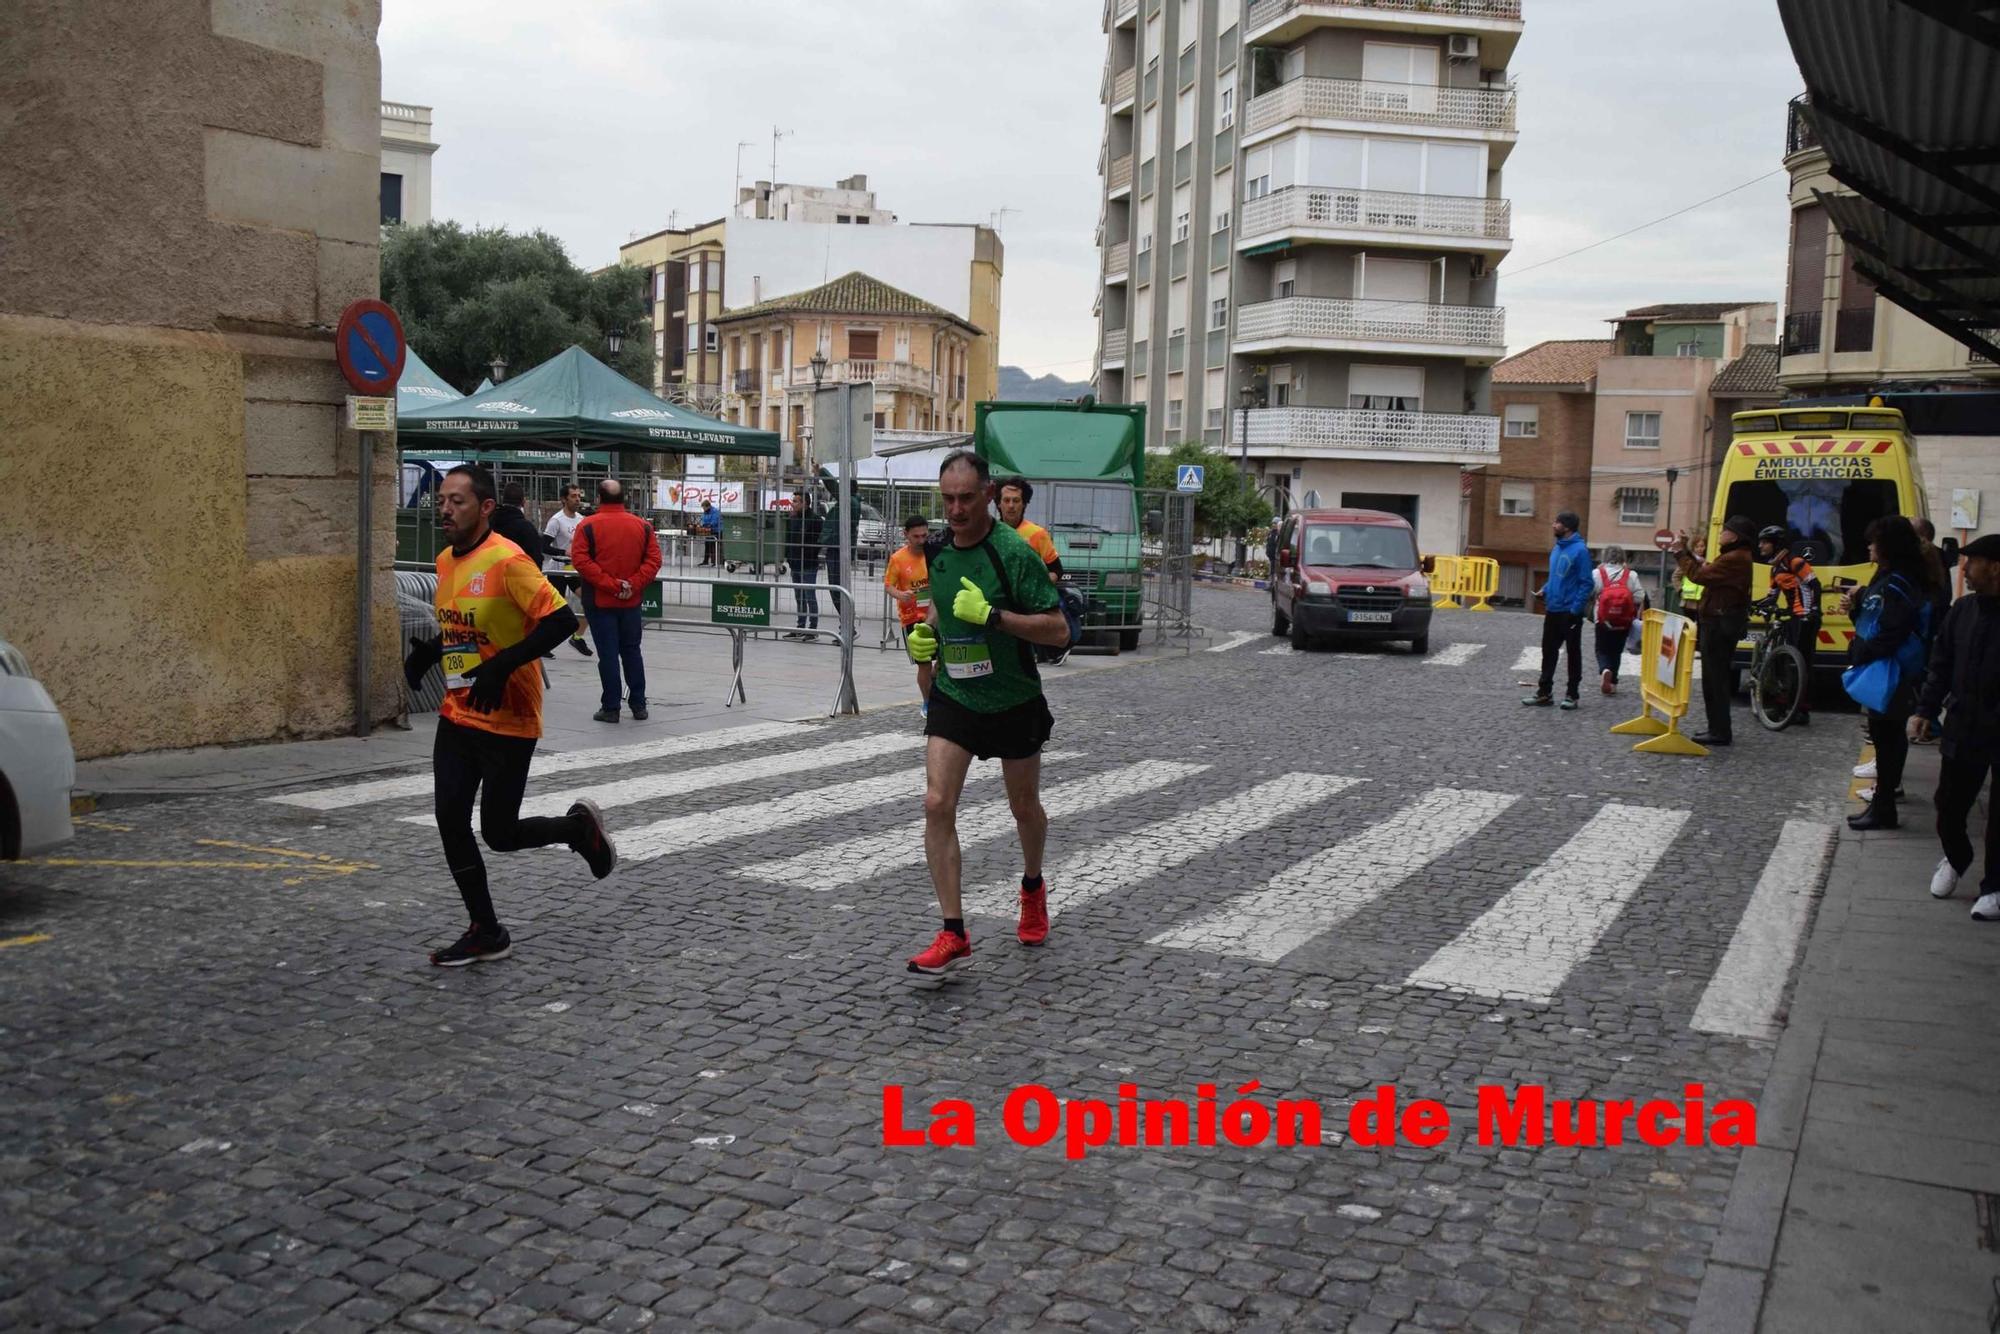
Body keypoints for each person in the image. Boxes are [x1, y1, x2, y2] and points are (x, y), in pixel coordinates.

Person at [403, 465, 617, 966]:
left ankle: (577, 830)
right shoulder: (443, 561)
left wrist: (502, 666)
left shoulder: (508, 561)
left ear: (485, 508)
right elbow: (467, 627)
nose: (445, 509)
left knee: (499, 834)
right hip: (460, 712)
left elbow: (561, 620)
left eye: (457, 501)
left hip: (510, 716)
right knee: (449, 818)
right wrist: (431, 653)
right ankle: (485, 929)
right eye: (442, 500)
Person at [902, 451, 1070, 977]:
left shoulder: (1012, 554)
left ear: (989, 494)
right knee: (935, 802)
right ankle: (953, 931)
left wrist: (994, 617)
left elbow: (1059, 630)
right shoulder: (939, 552)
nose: (955, 509)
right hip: (956, 695)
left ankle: (1032, 886)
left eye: (966, 498)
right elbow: (938, 605)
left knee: (1024, 808)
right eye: (947, 499)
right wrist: (926, 635)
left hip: (1013, 698)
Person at [1912, 534, 2000, 917]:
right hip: (1964, 722)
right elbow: (1941, 664)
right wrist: (1925, 710)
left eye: (1972, 561)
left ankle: (1994, 886)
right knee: (1948, 804)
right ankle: (1956, 855)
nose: (1964, 568)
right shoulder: (1962, 610)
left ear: (1994, 567)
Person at [1842, 515, 1939, 830]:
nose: (1869, 546)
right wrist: (1855, 610)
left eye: (1874, 541)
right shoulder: (1891, 576)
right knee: (1883, 736)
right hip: (1885, 665)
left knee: (1887, 738)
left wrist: (1864, 651)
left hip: (1891, 669)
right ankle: (1882, 805)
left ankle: (1884, 807)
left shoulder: (1898, 581)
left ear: (1888, 546)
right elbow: (1874, 619)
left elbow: (1892, 628)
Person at [571, 479, 662, 723]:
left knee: (608, 654)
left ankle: (611, 707)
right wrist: (632, 584)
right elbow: (653, 561)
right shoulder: (642, 526)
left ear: (599, 499)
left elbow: (580, 560)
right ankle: (639, 704)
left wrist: (610, 585)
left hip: (600, 602)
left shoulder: (587, 526)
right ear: (625, 499)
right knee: (632, 652)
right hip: (631, 602)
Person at [1671, 515, 1756, 746]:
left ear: (1734, 536)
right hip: (1718, 621)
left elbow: (1699, 575)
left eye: (1724, 530)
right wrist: (1687, 550)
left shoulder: (1735, 558)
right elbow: (1703, 568)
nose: (1720, 534)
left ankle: (1719, 731)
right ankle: (1716, 728)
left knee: (1715, 679)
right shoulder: (1735, 556)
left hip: (1720, 624)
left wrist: (1680, 553)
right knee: (1713, 678)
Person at [1523, 511, 1593, 710]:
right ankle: (1544, 693)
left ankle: (1572, 694)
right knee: (1548, 652)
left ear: (1568, 527)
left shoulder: (1580, 551)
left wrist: (1575, 609)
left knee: (1572, 653)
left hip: (1569, 611)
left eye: (1557, 522)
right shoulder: (1557, 548)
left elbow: (1586, 583)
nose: (1553, 525)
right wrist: (1544, 590)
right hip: (1553, 609)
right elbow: (1556, 577)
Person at [1755, 524, 1822, 725]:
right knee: (1784, 663)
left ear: (1775, 544)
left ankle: (1801, 709)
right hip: (1793, 616)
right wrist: (1754, 605)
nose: (1760, 546)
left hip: (1806, 618)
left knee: (1800, 664)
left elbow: (1815, 586)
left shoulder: (1796, 562)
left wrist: (1814, 611)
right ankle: (1782, 704)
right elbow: (1772, 596)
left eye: (1764, 542)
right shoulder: (1775, 568)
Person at [884, 514, 935, 711]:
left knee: (944, 660)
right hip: (912, 617)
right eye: (916, 537)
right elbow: (888, 586)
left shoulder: (933, 553)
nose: (922, 541)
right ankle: (928, 701)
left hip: (936, 615)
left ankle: (936, 690)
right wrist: (900, 594)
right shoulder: (898, 559)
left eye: (925, 536)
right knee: (924, 664)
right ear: (906, 535)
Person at [539, 483, 593, 658]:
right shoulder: (557, 520)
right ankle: (542, 644)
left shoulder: (581, 519)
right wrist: (563, 552)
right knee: (554, 611)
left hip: (574, 568)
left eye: (578, 496)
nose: (577, 499)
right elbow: (543, 546)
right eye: (573, 496)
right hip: (558, 569)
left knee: (591, 601)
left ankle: (577, 637)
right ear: (564, 499)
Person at [1588, 543, 1647, 696]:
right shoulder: (1631, 574)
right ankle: (1613, 682)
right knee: (1616, 651)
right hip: (1624, 620)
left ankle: (1605, 669)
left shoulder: (1597, 573)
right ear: (1623, 558)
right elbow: (1639, 596)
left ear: (1605, 558)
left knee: (1601, 649)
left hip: (1602, 619)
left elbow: (1588, 592)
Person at [996, 478, 1064, 584]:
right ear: (999, 503)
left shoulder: (1038, 534)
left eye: (1016, 500)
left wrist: (1040, 588)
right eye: (1006, 500)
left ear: (1024, 504)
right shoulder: (990, 533)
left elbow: (1056, 570)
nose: (1011, 505)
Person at [785, 495, 823, 640]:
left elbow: (818, 541)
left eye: (795, 501)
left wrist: (810, 554)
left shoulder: (815, 520)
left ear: (805, 503)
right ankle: (800, 626)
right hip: (795, 562)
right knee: (798, 596)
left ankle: (813, 628)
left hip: (808, 563)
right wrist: (789, 556)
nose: (792, 504)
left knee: (809, 596)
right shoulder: (793, 519)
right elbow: (789, 538)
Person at [698, 500, 723, 566]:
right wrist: (703, 524)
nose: (703, 509)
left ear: (708, 506)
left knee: (714, 546)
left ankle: (716, 561)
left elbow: (714, 521)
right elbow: (703, 519)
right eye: (703, 508)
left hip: (717, 530)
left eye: (704, 508)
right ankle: (705, 561)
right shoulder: (705, 512)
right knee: (707, 545)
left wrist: (709, 525)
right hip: (709, 531)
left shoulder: (715, 511)